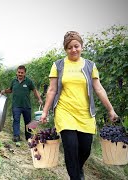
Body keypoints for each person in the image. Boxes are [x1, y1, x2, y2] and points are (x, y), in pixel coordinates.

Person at [40, 31, 118, 180]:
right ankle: (75, 177)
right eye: (69, 47)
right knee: (70, 147)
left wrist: (111, 110)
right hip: (65, 112)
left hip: (85, 114)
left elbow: (99, 88)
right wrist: (45, 112)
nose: (73, 50)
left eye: (76, 46)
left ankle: (78, 169)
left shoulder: (90, 65)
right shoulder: (58, 65)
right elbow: (52, 89)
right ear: (65, 49)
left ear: (81, 46)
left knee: (85, 149)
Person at [1, 65, 43, 142]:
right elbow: (10, 90)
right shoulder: (14, 81)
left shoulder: (29, 81)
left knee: (28, 121)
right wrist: (4, 91)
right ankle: (16, 136)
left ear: (25, 73)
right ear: (17, 72)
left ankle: (28, 137)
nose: (20, 74)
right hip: (16, 105)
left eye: (22, 73)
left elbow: (34, 90)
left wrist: (39, 99)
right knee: (16, 120)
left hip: (26, 106)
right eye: (19, 72)